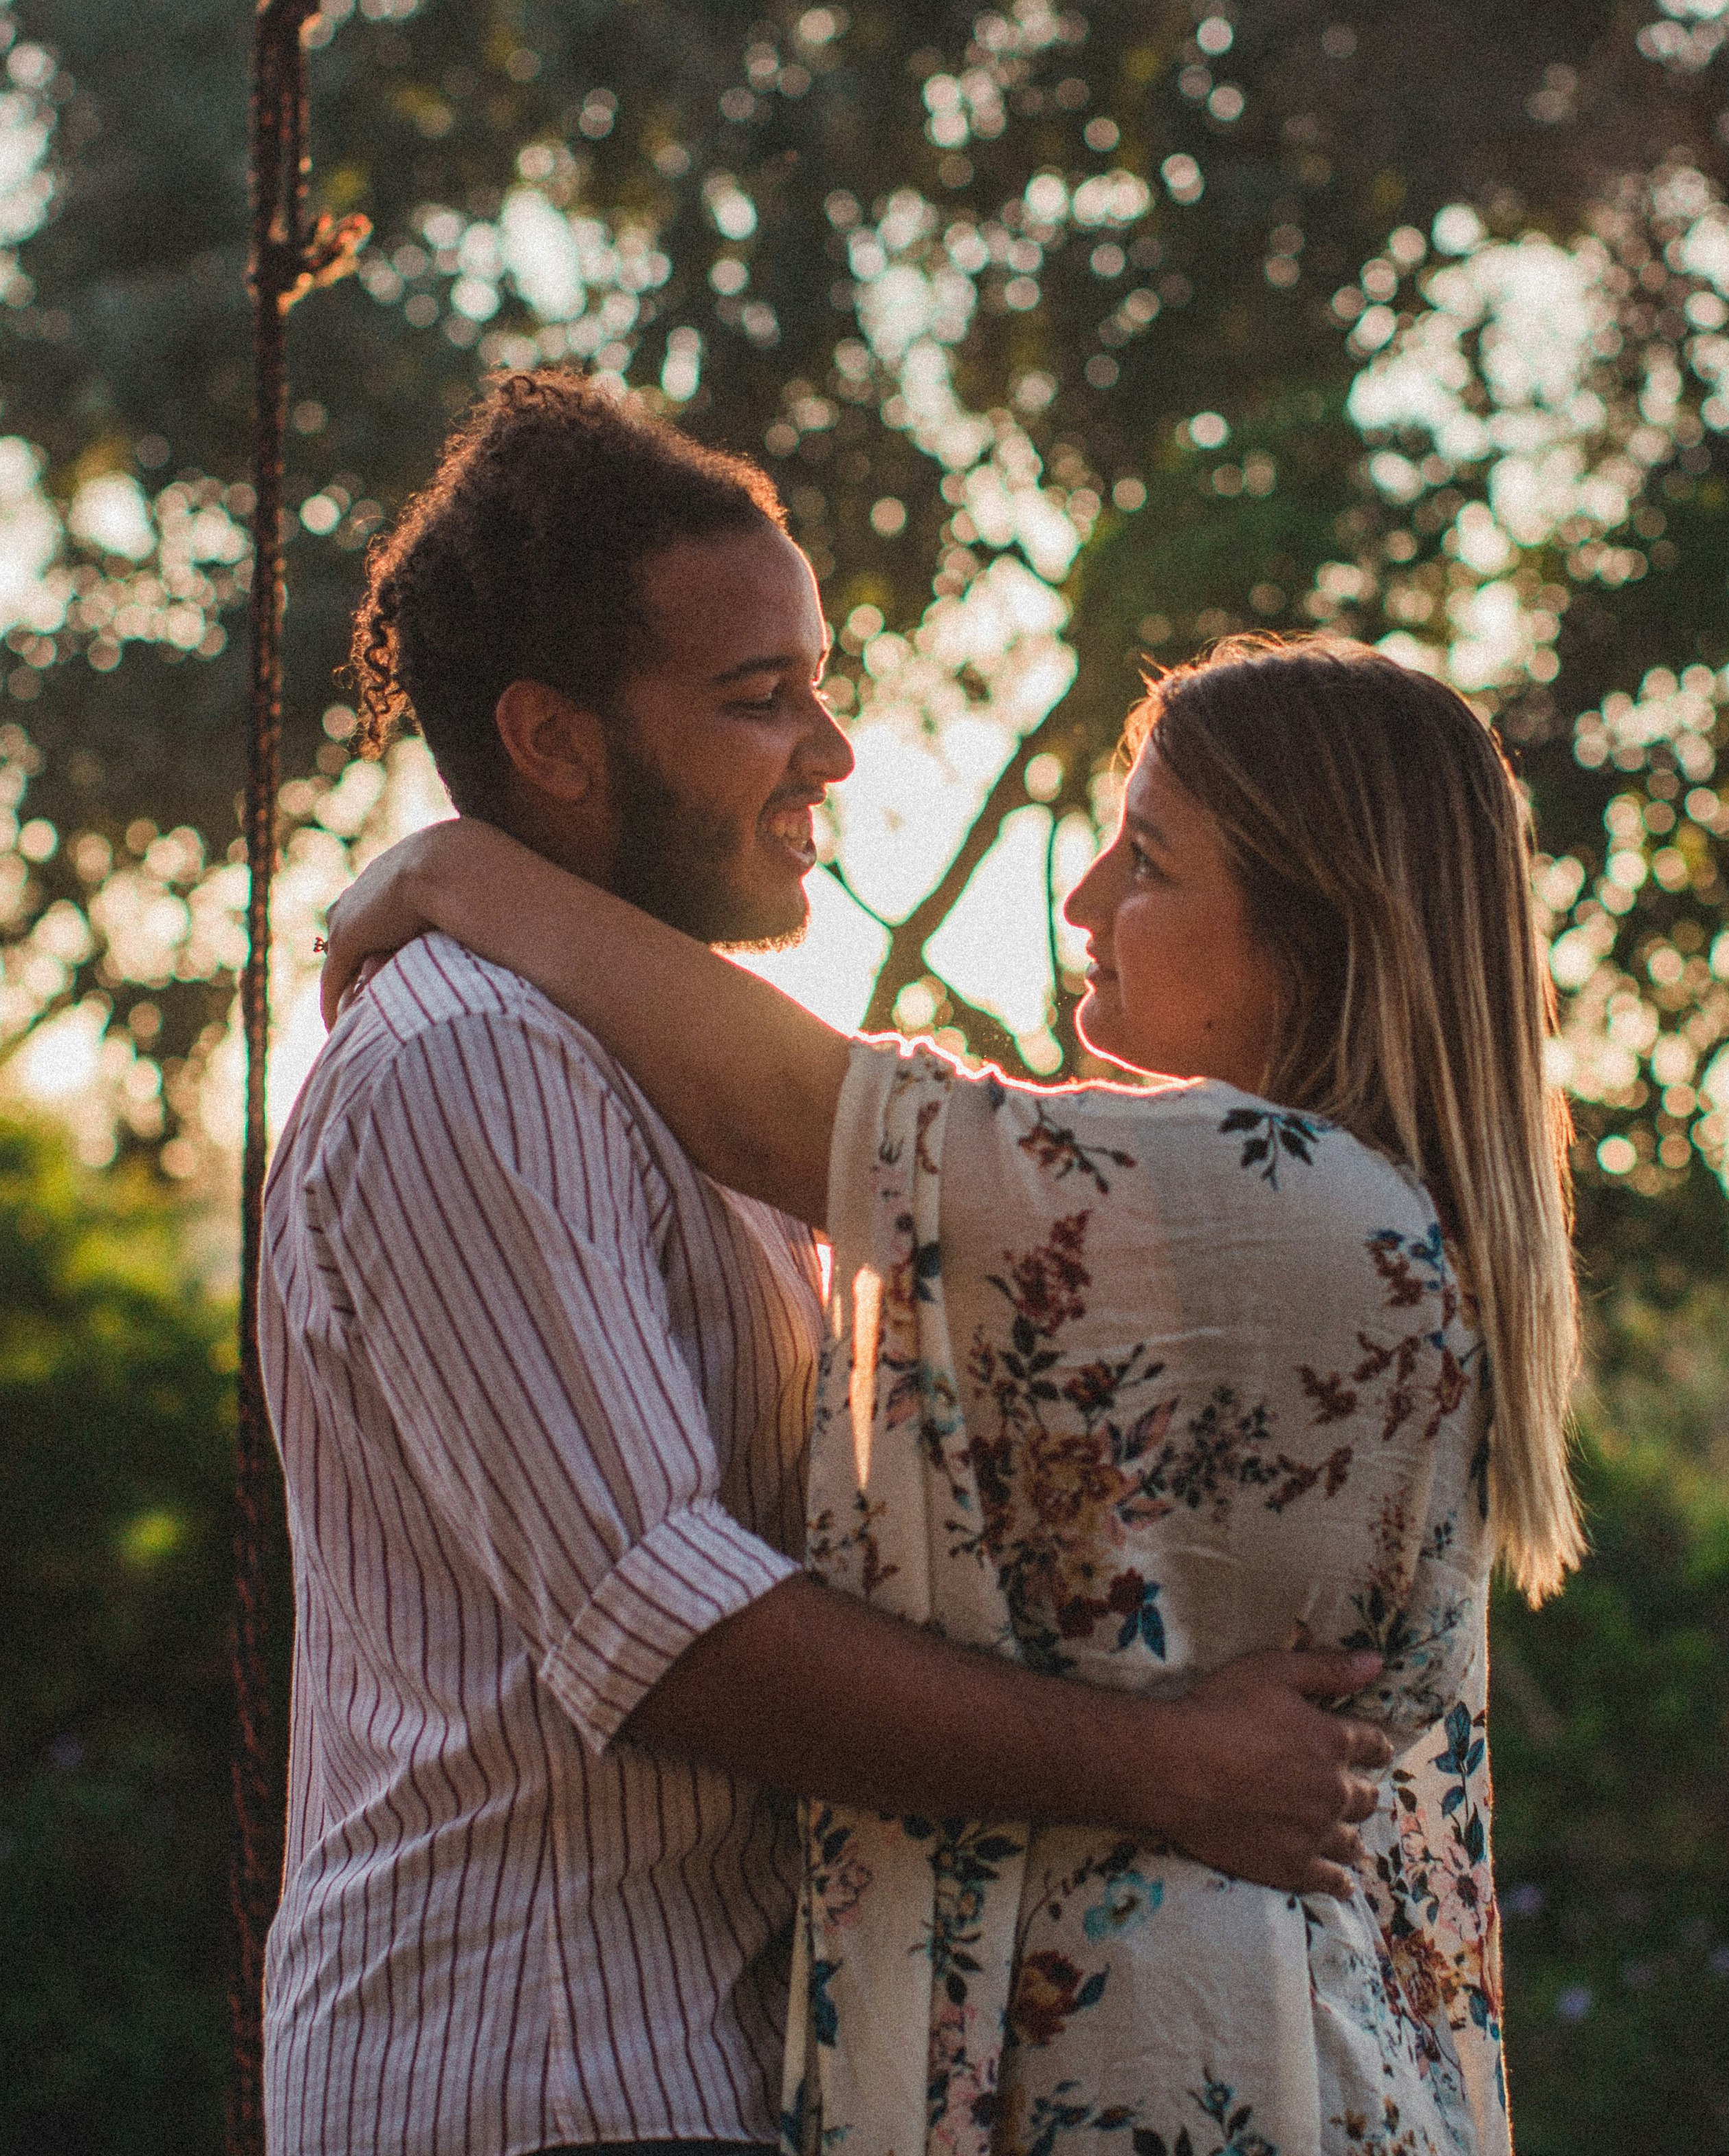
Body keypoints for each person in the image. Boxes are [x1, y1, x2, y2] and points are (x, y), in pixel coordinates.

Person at [258, 371, 1400, 2156]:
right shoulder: (474, 1064)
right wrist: (1162, 1767)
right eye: (758, 698)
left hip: (702, 2078)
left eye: (820, 686)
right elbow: (673, 1638)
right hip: (543, 2075)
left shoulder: (701, 1080)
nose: (833, 750)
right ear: (555, 744)